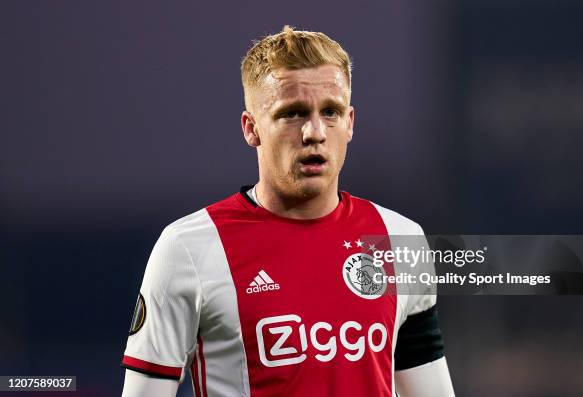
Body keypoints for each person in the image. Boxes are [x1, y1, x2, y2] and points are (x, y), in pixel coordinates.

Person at [121, 26, 454, 397]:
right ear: (251, 129)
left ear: (350, 123)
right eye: (292, 113)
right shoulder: (189, 249)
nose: (314, 132)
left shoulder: (399, 238)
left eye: (331, 112)